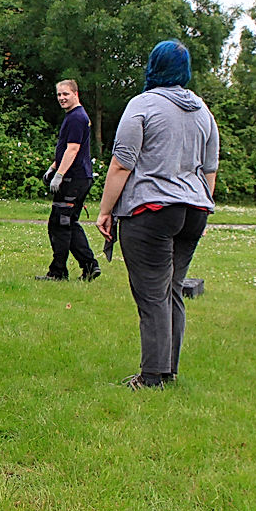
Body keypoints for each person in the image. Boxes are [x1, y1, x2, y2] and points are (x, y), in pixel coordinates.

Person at [94, 40, 219, 390]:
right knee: (172, 289)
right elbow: (210, 168)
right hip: (194, 210)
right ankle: (168, 370)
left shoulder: (143, 105)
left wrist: (106, 211)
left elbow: (121, 164)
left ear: (153, 67)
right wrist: (204, 204)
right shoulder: (203, 111)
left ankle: (151, 377)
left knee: (151, 294)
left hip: (151, 210)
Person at [37, 79, 100, 282]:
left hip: (74, 178)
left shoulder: (76, 118)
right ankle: (90, 266)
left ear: (76, 94)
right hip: (77, 176)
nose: (62, 98)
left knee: (60, 224)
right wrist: (54, 167)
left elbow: (73, 149)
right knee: (68, 223)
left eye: (66, 94)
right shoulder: (74, 116)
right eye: (59, 95)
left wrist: (60, 175)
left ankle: (58, 272)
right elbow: (67, 149)